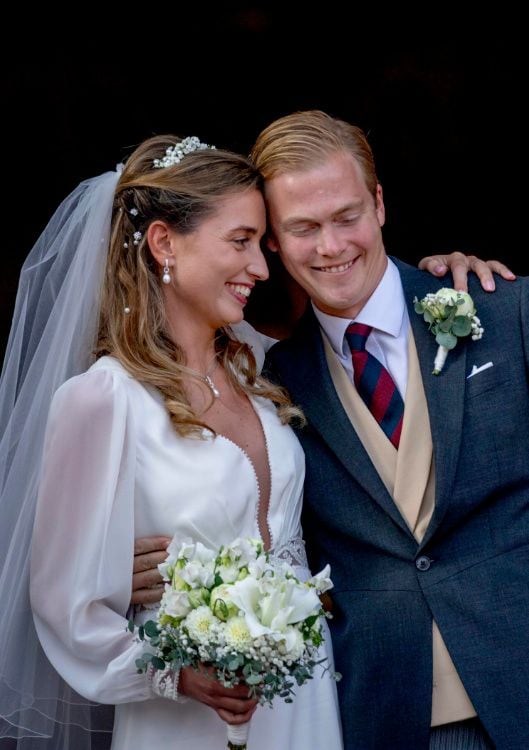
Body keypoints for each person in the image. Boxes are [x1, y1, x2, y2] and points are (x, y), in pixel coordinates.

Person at [0, 135, 344, 750]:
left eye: (260, 245)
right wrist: (173, 673)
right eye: (239, 242)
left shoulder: (261, 368)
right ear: (164, 243)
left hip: (305, 694)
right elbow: (66, 603)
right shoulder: (104, 399)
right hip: (188, 717)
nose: (262, 269)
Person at [247, 110, 528, 749]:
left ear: (379, 204)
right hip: (385, 715)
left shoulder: (504, 309)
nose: (331, 246)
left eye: (347, 216)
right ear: (272, 241)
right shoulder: (272, 383)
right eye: (302, 228)